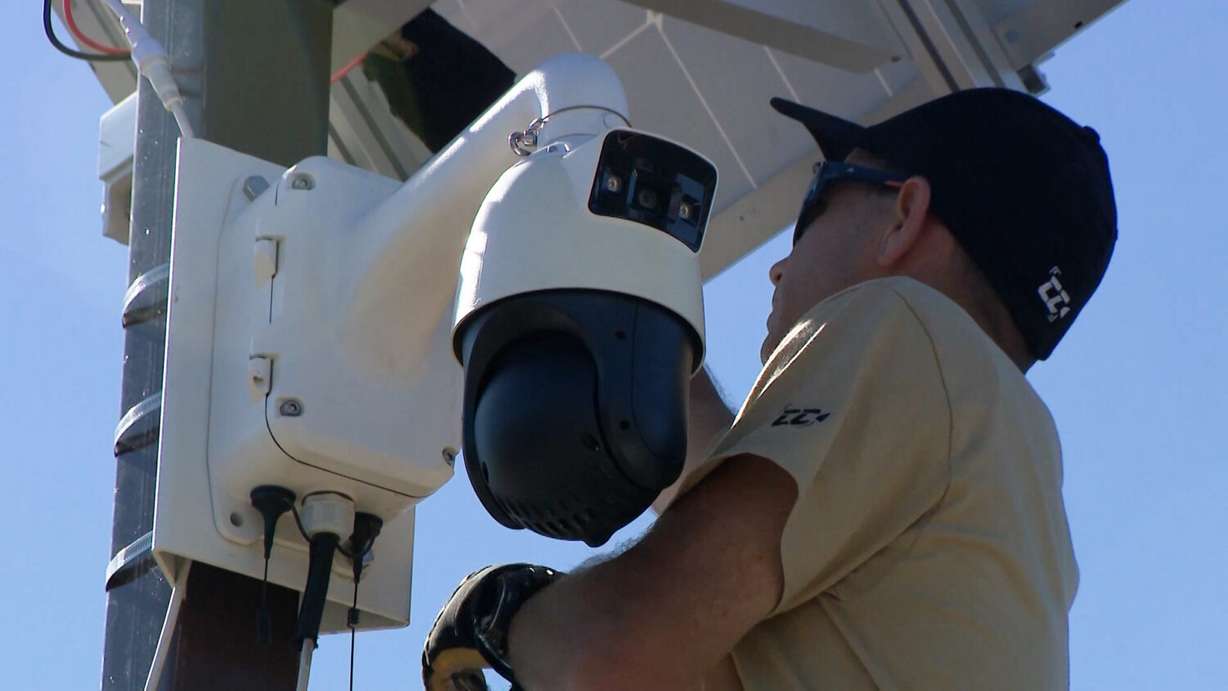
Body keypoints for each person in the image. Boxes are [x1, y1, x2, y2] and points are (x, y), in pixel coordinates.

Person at [421, 87, 1117, 690]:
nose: (777, 269)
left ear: (903, 216)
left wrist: (502, 611)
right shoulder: (1000, 466)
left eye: (819, 194)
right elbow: (733, 480)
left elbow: (607, 658)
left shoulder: (903, 325)